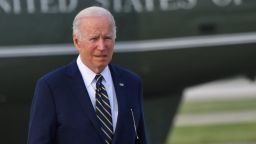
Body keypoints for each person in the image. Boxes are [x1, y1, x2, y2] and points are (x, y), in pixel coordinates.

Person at [27, 6, 148, 144]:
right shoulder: (51, 87)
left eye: (107, 38)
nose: (102, 46)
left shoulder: (131, 83)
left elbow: (140, 138)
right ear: (77, 42)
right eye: (94, 39)